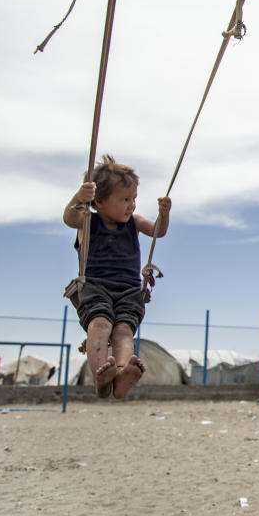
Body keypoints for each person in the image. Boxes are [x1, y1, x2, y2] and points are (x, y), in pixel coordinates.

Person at [63, 155, 171, 399]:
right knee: (100, 325)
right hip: (95, 286)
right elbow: (69, 218)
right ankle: (101, 376)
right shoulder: (88, 221)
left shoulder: (133, 223)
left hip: (129, 289)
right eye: (124, 199)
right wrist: (79, 198)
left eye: (133, 199)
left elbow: (157, 232)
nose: (131, 205)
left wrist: (164, 214)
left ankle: (121, 375)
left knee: (123, 331)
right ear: (98, 200)